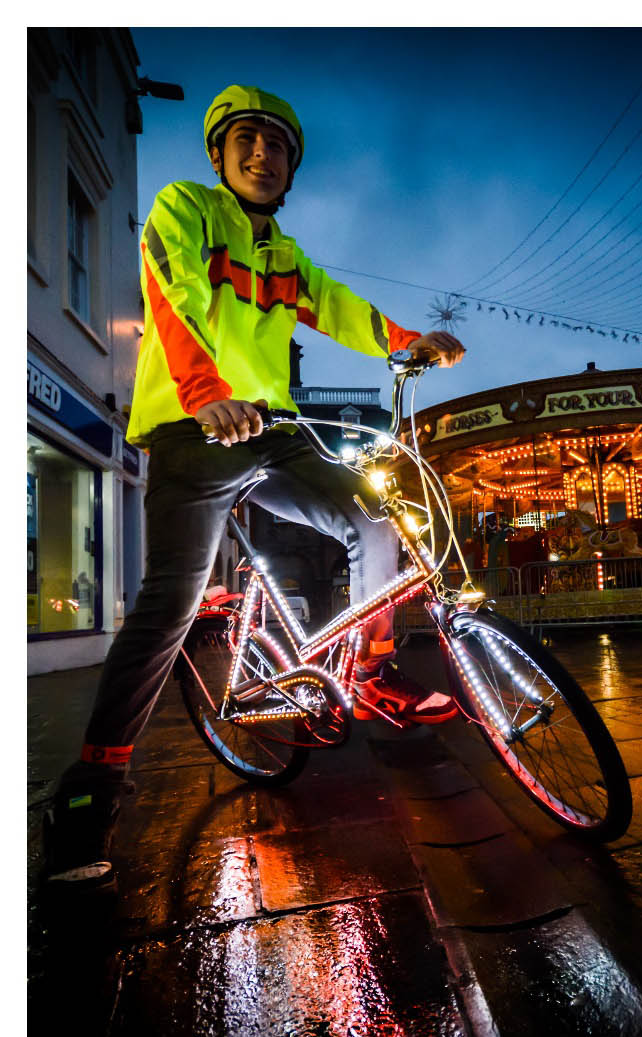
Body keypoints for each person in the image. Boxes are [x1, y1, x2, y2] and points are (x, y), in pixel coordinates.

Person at [39, 85, 467, 890]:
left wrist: (411, 342)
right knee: (170, 601)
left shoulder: (286, 258)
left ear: (292, 167)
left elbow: (340, 309)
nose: (263, 155)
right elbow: (174, 296)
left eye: (279, 145)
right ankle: (90, 797)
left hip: (269, 430)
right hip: (192, 428)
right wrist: (203, 394)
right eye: (247, 140)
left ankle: (371, 672)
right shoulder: (186, 209)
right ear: (217, 153)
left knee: (376, 517)